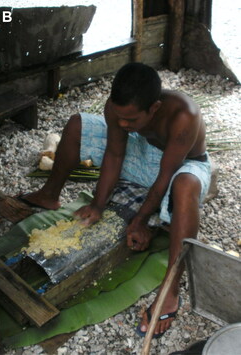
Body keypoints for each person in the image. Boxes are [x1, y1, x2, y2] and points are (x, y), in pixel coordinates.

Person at [20, 62, 211, 338]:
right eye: (119, 116)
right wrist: (98, 204)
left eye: (131, 120)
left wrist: (139, 220)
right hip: (142, 157)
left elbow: (164, 177)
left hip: (182, 166)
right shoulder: (117, 109)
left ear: (154, 108)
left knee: (184, 185)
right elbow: (114, 154)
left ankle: (170, 292)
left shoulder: (184, 116)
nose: (122, 124)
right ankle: (49, 196)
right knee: (77, 124)